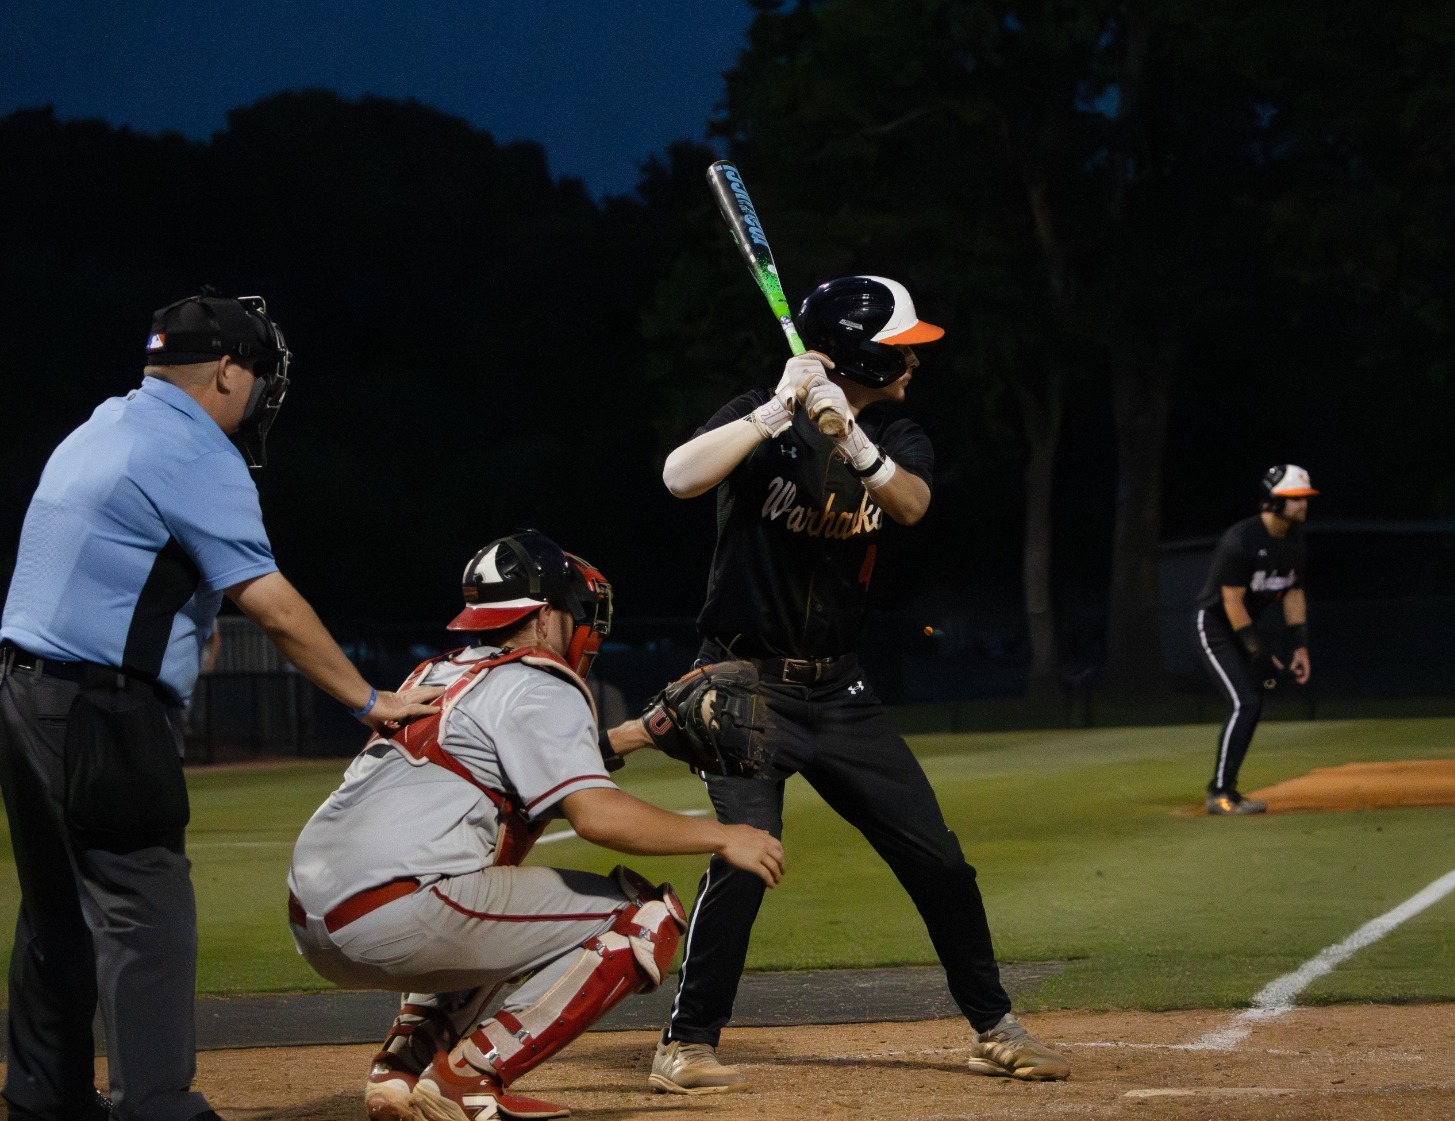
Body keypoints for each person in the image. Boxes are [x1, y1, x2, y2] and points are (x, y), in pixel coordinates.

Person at [0, 293, 440, 1121]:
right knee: (146, 907)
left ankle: (41, 1097)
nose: (264, 393)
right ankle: (156, 1104)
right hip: (102, 708)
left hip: (24, 691)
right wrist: (368, 698)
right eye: (259, 374)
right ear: (228, 371)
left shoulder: (102, 424)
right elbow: (271, 604)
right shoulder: (196, 450)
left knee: (54, 907)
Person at [634, 275, 1070, 1093]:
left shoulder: (899, 433)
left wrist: (855, 442)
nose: (914, 362)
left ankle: (994, 1026)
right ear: (863, 353)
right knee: (745, 858)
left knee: (939, 860)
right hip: (741, 683)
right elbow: (679, 478)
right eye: (902, 349)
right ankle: (685, 1044)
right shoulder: (760, 414)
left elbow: (910, 505)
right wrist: (776, 410)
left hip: (839, 691)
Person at [287, 531, 785, 1121]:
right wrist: (727, 835)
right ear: (546, 615)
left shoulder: (437, 672)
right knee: (642, 916)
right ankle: (469, 1077)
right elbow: (596, 816)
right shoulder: (541, 680)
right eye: (575, 611)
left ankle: (400, 1072)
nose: (583, 626)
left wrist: (634, 735)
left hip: (313, 917)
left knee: (488, 892)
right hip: (394, 913)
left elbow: (525, 767)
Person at [1191, 464, 1317, 815]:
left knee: (1252, 704)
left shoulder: (1294, 540)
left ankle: (1225, 788)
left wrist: (1299, 645)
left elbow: (1293, 593)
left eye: (1305, 497)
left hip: (1244, 626)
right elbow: (1231, 602)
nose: (1303, 504)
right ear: (1274, 501)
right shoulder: (1242, 539)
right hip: (1215, 626)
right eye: (1295, 498)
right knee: (1245, 702)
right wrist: (1257, 653)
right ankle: (1219, 793)